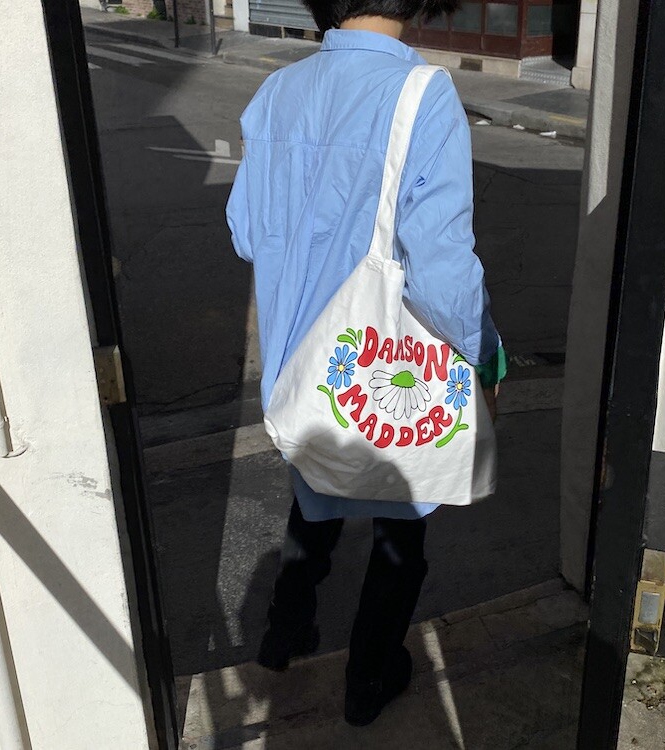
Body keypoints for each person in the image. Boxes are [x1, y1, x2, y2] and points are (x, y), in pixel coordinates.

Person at [225, 0, 506, 727]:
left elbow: (247, 232)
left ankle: (284, 633)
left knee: (314, 495)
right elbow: (441, 269)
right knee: (399, 531)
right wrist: (485, 356)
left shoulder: (276, 91)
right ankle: (368, 677)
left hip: (298, 359)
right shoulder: (424, 94)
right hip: (385, 363)